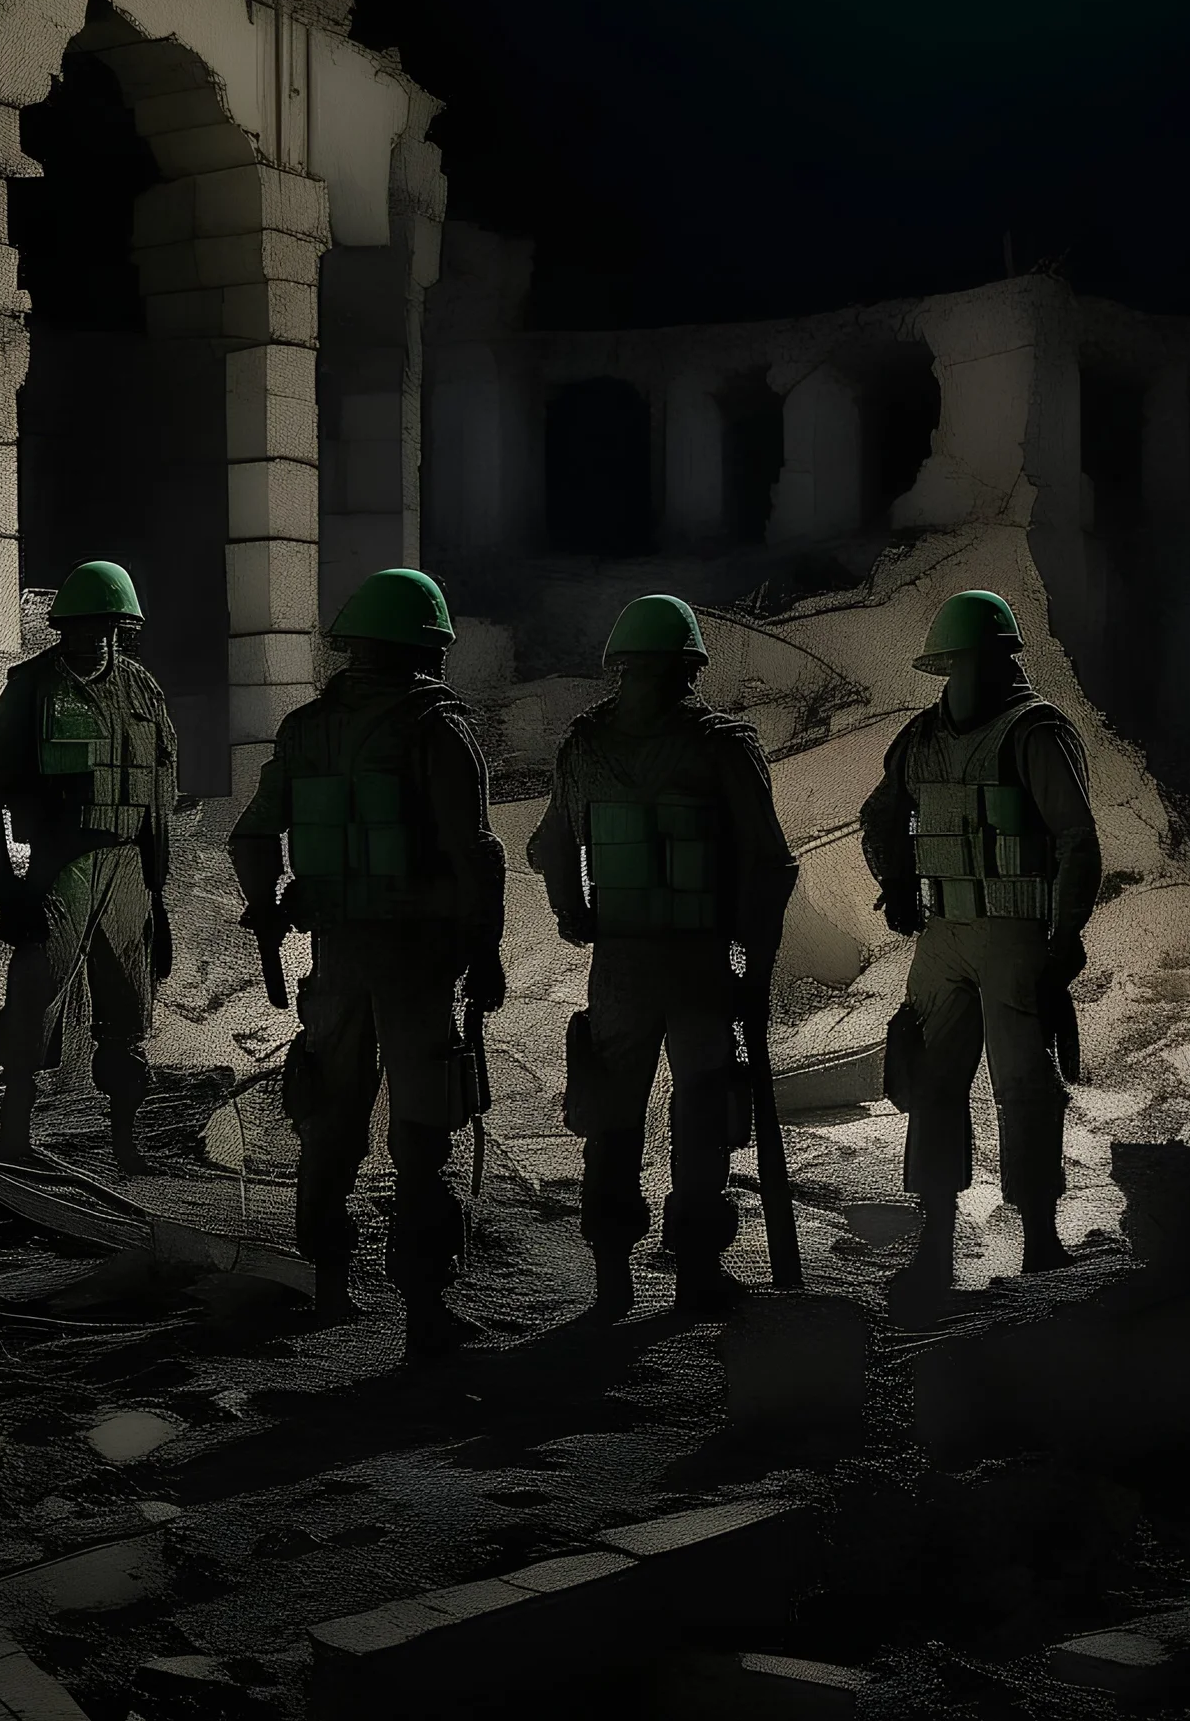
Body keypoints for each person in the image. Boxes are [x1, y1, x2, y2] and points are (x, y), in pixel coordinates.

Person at [227, 568, 505, 1342]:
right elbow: (476, 855)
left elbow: (252, 834)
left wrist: (265, 908)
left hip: (336, 956)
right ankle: (424, 1306)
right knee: (422, 1126)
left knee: (329, 1116)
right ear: (426, 648)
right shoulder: (437, 728)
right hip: (416, 960)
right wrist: (485, 955)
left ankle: (327, 1287)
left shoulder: (306, 727)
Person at [528, 594, 798, 1322]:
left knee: (611, 1115)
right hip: (697, 962)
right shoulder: (722, 744)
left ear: (621, 663)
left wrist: (572, 910)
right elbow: (769, 865)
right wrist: (759, 969)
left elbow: (549, 843)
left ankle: (612, 1280)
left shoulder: (585, 744)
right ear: (690, 666)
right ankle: (697, 1276)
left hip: (619, 961)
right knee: (704, 1109)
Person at [858, 586, 1101, 1319]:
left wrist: (1063, 932)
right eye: (956, 668)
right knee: (942, 1081)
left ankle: (1035, 1239)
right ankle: (945, 1244)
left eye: (967, 665)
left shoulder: (1026, 732)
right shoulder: (943, 735)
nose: (961, 681)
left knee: (1020, 1084)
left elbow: (1076, 841)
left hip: (1004, 933)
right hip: (960, 936)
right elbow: (881, 817)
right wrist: (898, 882)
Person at [0, 560, 178, 1174]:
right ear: (64, 626)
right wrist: (3, 881)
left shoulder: (143, 690)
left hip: (131, 869)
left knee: (130, 1005)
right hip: (62, 861)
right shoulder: (31, 686)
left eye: (110, 625)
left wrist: (158, 896)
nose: (98, 636)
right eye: (86, 625)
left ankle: (125, 1145)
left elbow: (159, 792)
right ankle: (14, 1134)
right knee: (36, 991)